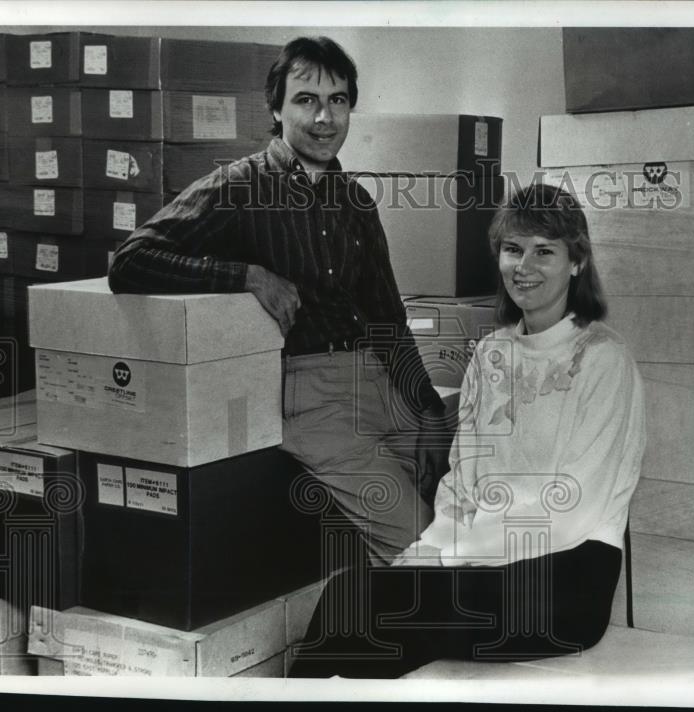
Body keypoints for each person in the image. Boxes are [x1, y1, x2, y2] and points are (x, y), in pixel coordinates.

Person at [108, 36, 448, 565]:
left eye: (338, 100)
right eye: (306, 99)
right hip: (310, 398)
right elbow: (130, 261)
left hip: (384, 385)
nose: (324, 117)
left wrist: (427, 408)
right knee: (425, 544)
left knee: (465, 514)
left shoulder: (355, 201)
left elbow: (388, 317)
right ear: (275, 107)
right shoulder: (239, 186)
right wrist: (245, 276)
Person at [288, 183, 647, 678]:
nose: (524, 267)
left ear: (577, 262)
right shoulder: (491, 352)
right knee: (359, 604)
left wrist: (454, 557)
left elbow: (573, 510)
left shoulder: (604, 358)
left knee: (365, 605)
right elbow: (460, 484)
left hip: (567, 577)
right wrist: (424, 556)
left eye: (545, 251)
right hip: (484, 565)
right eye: (512, 249)